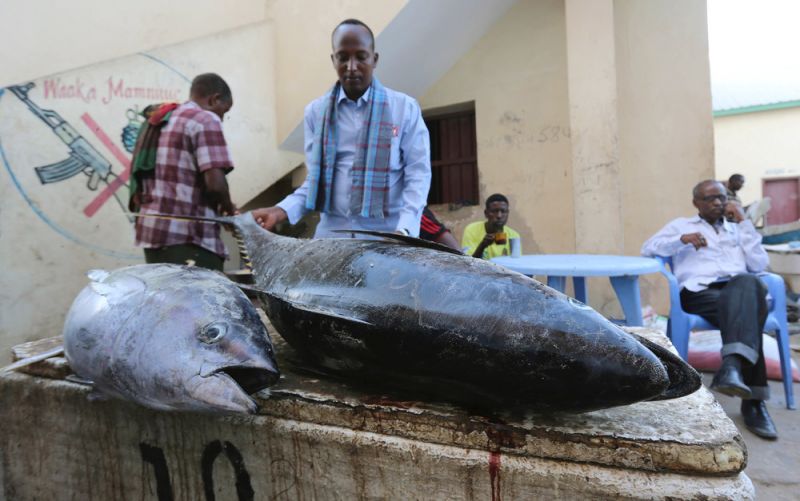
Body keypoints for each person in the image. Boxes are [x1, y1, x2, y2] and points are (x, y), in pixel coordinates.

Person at [252, 19, 431, 238]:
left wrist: (404, 230)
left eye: (361, 56)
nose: (352, 66)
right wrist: (280, 211)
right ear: (333, 60)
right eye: (343, 58)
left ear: (374, 60)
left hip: (388, 238)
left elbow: (418, 176)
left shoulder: (404, 109)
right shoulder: (315, 113)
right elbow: (314, 182)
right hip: (332, 238)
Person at [641, 180, 776, 439]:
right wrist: (681, 240)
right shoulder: (682, 225)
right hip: (700, 292)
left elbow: (760, 264)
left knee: (748, 283)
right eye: (710, 198)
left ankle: (732, 367)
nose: (717, 203)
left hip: (741, 290)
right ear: (696, 203)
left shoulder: (738, 228)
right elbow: (648, 248)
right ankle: (755, 403)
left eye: (722, 198)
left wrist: (745, 224)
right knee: (749, 316)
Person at [134, 73, 236, 271]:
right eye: (224, 111)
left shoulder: (158, 120)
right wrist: (230, 212)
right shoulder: (205, 120)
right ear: (214, 99)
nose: (222, 119)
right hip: (189, 240)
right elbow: (215, 185)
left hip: (153, 237)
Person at [462, 194, 521, 259]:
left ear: (508, 213)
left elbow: (516, 263)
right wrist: (482, 246)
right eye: (494, 211)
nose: (499, 216)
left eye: (503, 211)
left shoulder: (513, 236)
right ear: (486, 213)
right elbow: (468, 263)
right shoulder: (472, 230)